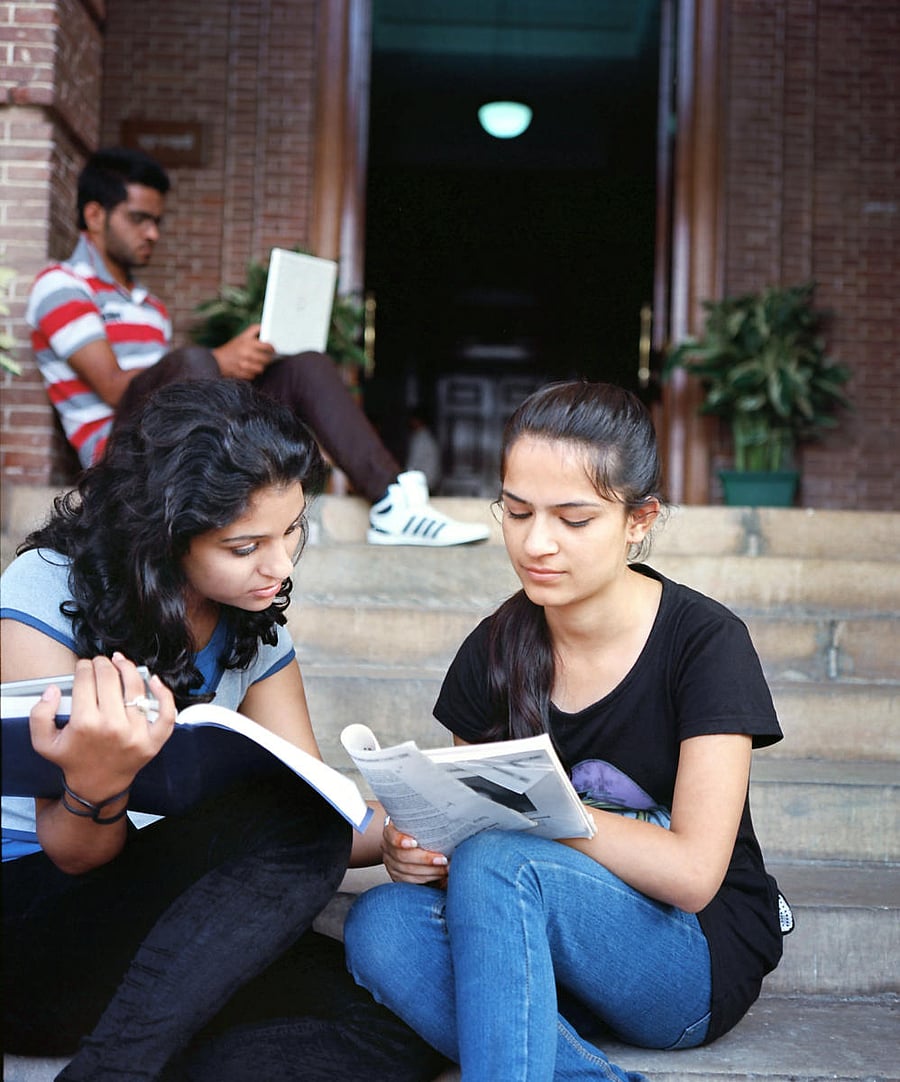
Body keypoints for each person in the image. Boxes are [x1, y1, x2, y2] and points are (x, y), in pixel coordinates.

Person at [1, 379, 448, 1081]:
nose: (279, 565)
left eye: (293, 530)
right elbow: (73, 853)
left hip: (152, 951)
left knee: (402, 1015)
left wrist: (405, 831)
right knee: (293, 816)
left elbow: (328, 813)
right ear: (166, 535)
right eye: (246, 546)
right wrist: (98, 785)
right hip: (30, 928)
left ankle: (146, 1055)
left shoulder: (252, 628)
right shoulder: (46, 586)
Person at [344, 380, 788, 1080]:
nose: (536, 542)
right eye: (517, 512)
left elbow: (696, 874)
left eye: (574, 519)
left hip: (688, 954)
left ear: (639, 521)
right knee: (383, 925)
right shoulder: (495, 648)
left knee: (501, 852)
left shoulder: (705, 644)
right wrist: (422, 852)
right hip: (547, 950)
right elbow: (471, 844)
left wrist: (540, 814)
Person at [25, 145, 488, 549]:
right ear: (94, 215)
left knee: (303, 366)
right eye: (139, 220)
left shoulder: (149, 307)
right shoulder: (61, 287)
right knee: (194, 360)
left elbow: (165, 392)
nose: (153, 234)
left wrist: (235, 365)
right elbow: (111, 388)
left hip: (174, 445)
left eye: (158, 221)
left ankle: (392, 503)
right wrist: (217, 362)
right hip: (119, 461)